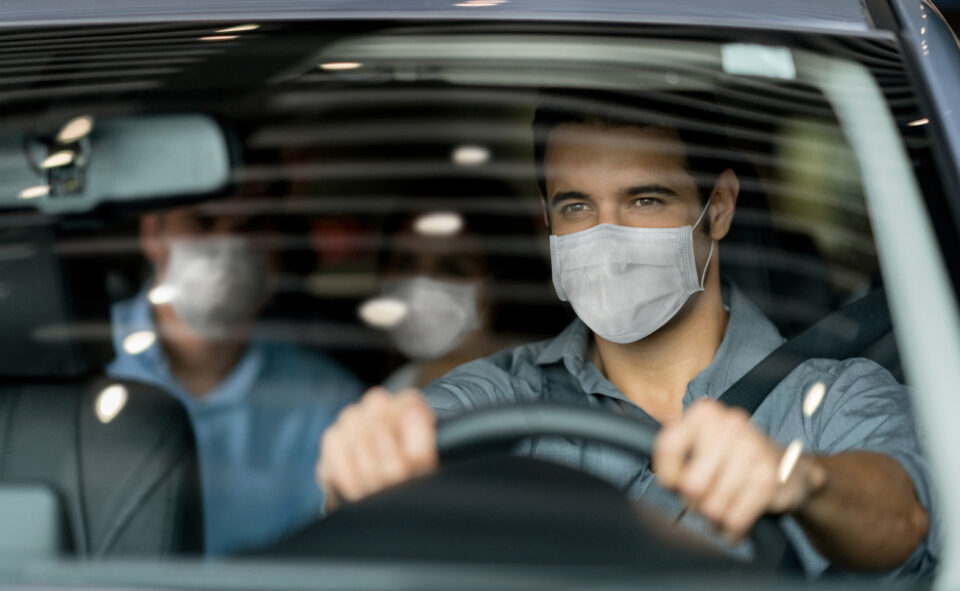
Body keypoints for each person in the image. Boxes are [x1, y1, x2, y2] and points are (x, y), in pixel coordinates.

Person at [314, 90, 936, 576]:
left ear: (717, 207)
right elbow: (420, 440)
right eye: (577, 206)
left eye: (644, 201)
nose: (604, 240)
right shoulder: (501, 395)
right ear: (548, 224)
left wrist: (798, 479)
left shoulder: (832, 397)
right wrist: (371, 464)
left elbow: (902, 516)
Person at [108, 200, 364, 556]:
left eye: (252, 225)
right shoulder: (62, 370)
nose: (228, 244)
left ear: (275, 255)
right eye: (203, 221)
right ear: (153, 233)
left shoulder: (331, 404)